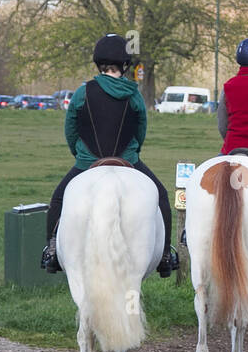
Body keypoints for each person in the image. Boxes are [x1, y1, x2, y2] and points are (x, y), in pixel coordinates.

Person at [41, 34, 179, 276]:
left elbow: (70, 130)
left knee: (58, 200)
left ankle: (51, 252)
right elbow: (141, 130)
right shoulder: (134, 94)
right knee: (162, 197)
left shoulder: (82, 93)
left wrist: (82, 155)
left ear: (98, 63)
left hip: (87, 162)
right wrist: (132, 155)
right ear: (125, 65)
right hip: (129, 162)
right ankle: (166, 255)